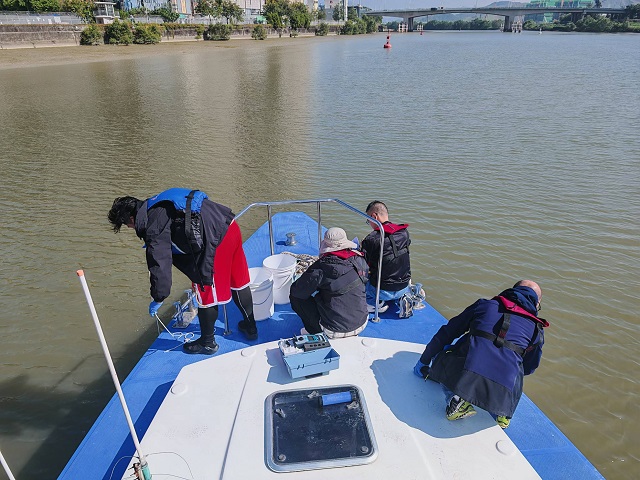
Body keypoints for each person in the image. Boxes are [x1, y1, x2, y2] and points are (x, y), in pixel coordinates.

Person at [107, 188, 258, 355]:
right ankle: (251, 327)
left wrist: (158, 297)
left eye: (127, 225)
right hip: (229, 225)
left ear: (131, 218)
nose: (130, 228)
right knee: (238, 281)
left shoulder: (153, 225)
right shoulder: (158, 202)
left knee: (206, 292)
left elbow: (160, 265)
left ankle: (208, 343)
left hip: (216, 241)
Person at [413, 280, 548, 429]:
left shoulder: (485, 305)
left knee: (456, 346)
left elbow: (447, 333)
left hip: (467, 377)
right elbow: (529, 367)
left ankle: (456, 401)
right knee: (517, 366)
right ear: (537, 304)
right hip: (505, 397)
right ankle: (504, 415)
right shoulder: (537, 330)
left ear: (513, 290)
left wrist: (424, 361)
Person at [289, 227, 369, 339]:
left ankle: (313, 330)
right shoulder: (359, 259)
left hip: (333, 330)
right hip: (362, 323)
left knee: (296, 297)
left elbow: (297, 291)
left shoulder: (320, 267)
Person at [360, 200, 413, 316]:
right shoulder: (404, 233)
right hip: (403, 286)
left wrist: (361, 248)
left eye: (368, 220)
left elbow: (363, 265)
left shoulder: (372, 239)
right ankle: (402, 298)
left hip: (381, 291)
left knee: (358, 278)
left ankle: (375, 303)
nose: (370, 224)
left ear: (374, 216)